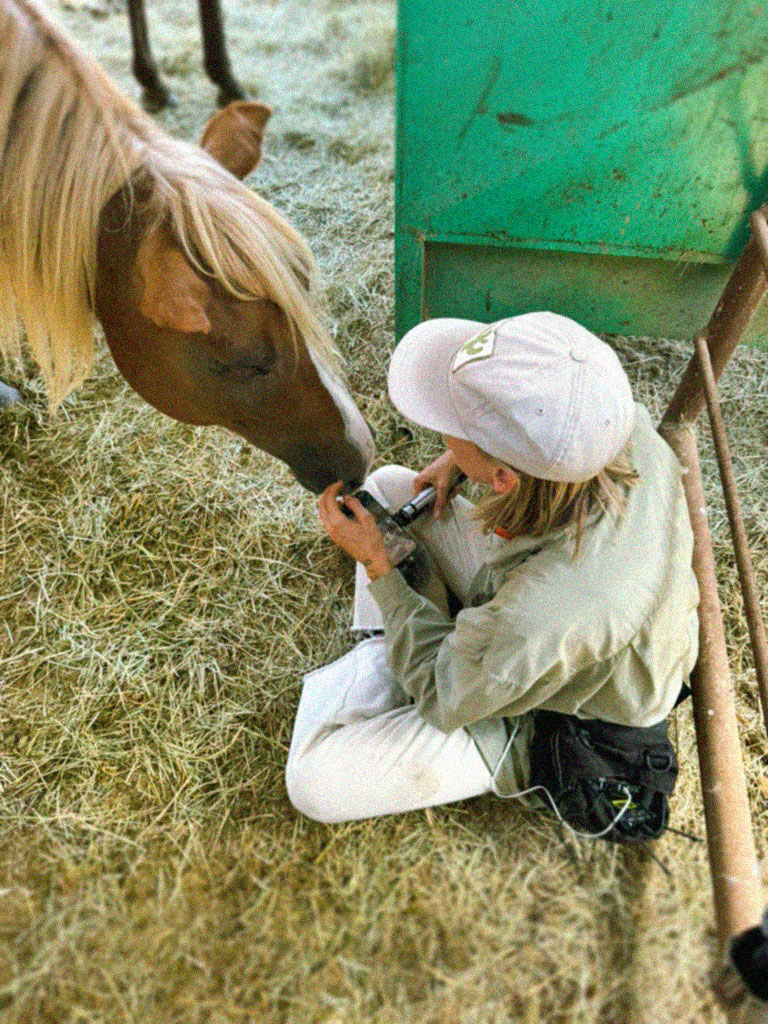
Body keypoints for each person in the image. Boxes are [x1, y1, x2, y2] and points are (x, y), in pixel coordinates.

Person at [285, 312, 699, 835]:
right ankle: (397, 641)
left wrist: (379, 567)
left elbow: (444, 698)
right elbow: (547, 438)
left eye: (455, 433)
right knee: (393, 489)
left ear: (504, 477)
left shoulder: (540, 612)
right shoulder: (612, 417)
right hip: (574, 609)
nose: (444, 435)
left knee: (314, 782)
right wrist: (461, 463)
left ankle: (382, 652)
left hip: (571, 711)